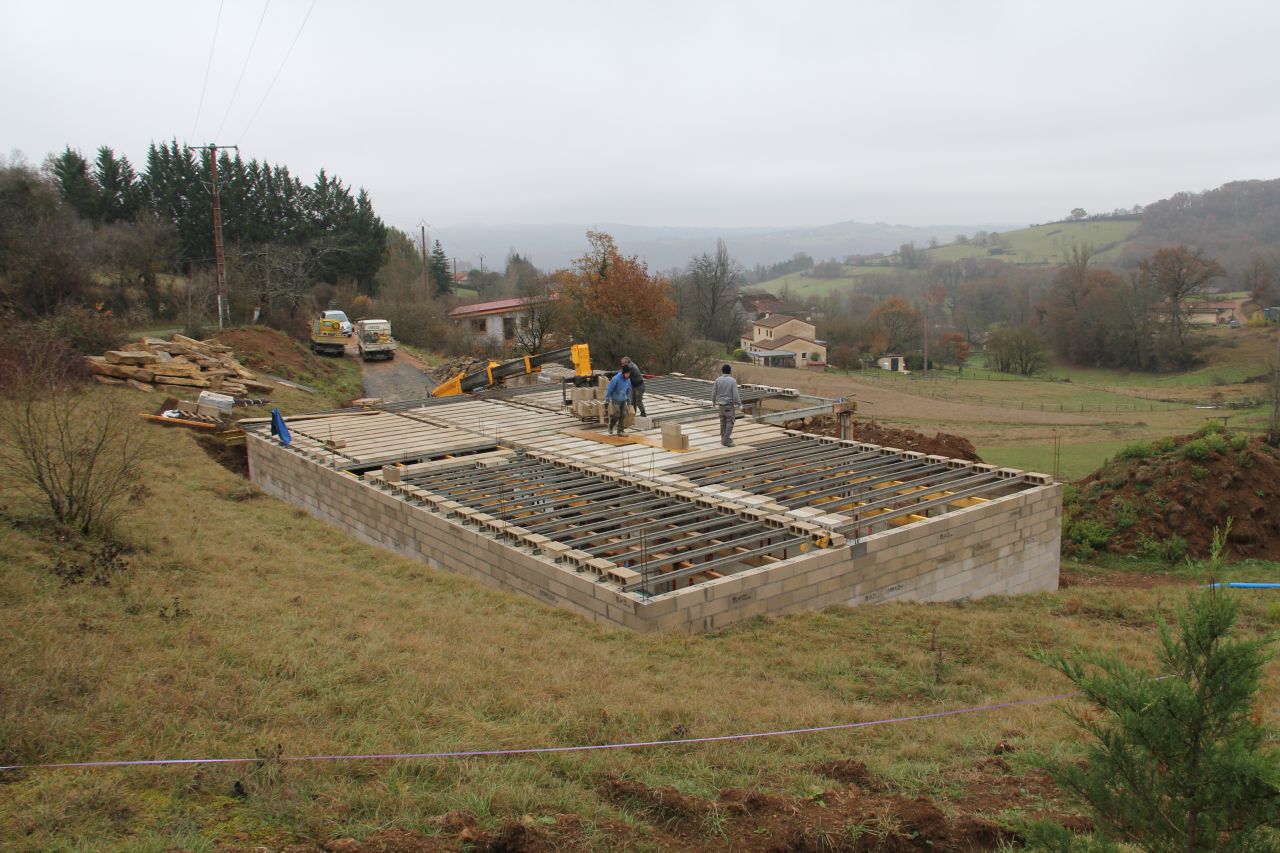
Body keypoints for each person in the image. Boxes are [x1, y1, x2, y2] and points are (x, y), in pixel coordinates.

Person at [711, 363, 741, 446]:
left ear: (722, 371)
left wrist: (713, 402)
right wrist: (739, 403)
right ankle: (726, 441)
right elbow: (735, 395)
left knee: (722, 422)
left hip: (720, 406)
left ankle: (723, 438)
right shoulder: (732, 381)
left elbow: (714, 392)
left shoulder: (718, 380)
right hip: (729, 406)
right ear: (730, 371)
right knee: (730, 422)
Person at [604, 368, 632, 435]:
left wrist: (628, 399)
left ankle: (620, 430)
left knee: (623, 414)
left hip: (623, 399)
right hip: (616, 400)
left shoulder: (628, 380)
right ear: (623, 373)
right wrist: (607, 399)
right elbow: (609, 389)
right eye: (627, 374)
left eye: (629, 374)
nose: (628, 375)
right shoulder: (615, 379)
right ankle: (611, 426)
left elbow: (628, 390)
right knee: (617, 415)